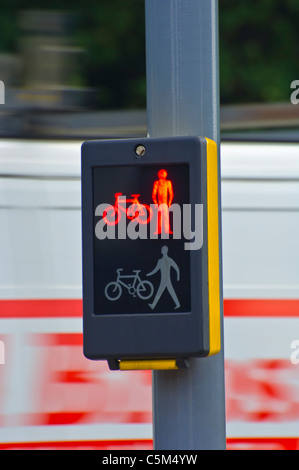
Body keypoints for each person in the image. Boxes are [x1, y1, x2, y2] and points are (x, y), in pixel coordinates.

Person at [147, 246, 180, 310]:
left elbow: (176, 268)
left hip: (166, 280)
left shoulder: (167, 260)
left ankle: (153, 305)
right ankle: (177, 304)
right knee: (170, 291)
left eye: (162, 249)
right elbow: (156, 269)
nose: (161, 250)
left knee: (161, 292)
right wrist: (149, 274)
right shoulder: (161, 261)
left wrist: (178, 277)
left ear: (165, 251)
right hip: (164, 280)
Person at [152, 169, 173, 235]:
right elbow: (154, 194)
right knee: (159, 217)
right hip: (159, 203)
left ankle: (167, 230)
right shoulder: (157, 183)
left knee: (166, 216)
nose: (162, 175)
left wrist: (169, 202)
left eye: (163, 174)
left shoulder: (168, 182)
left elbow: (171, 193)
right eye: (161, 174)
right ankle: (159, 230)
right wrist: (155, 203)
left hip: (165, 202)